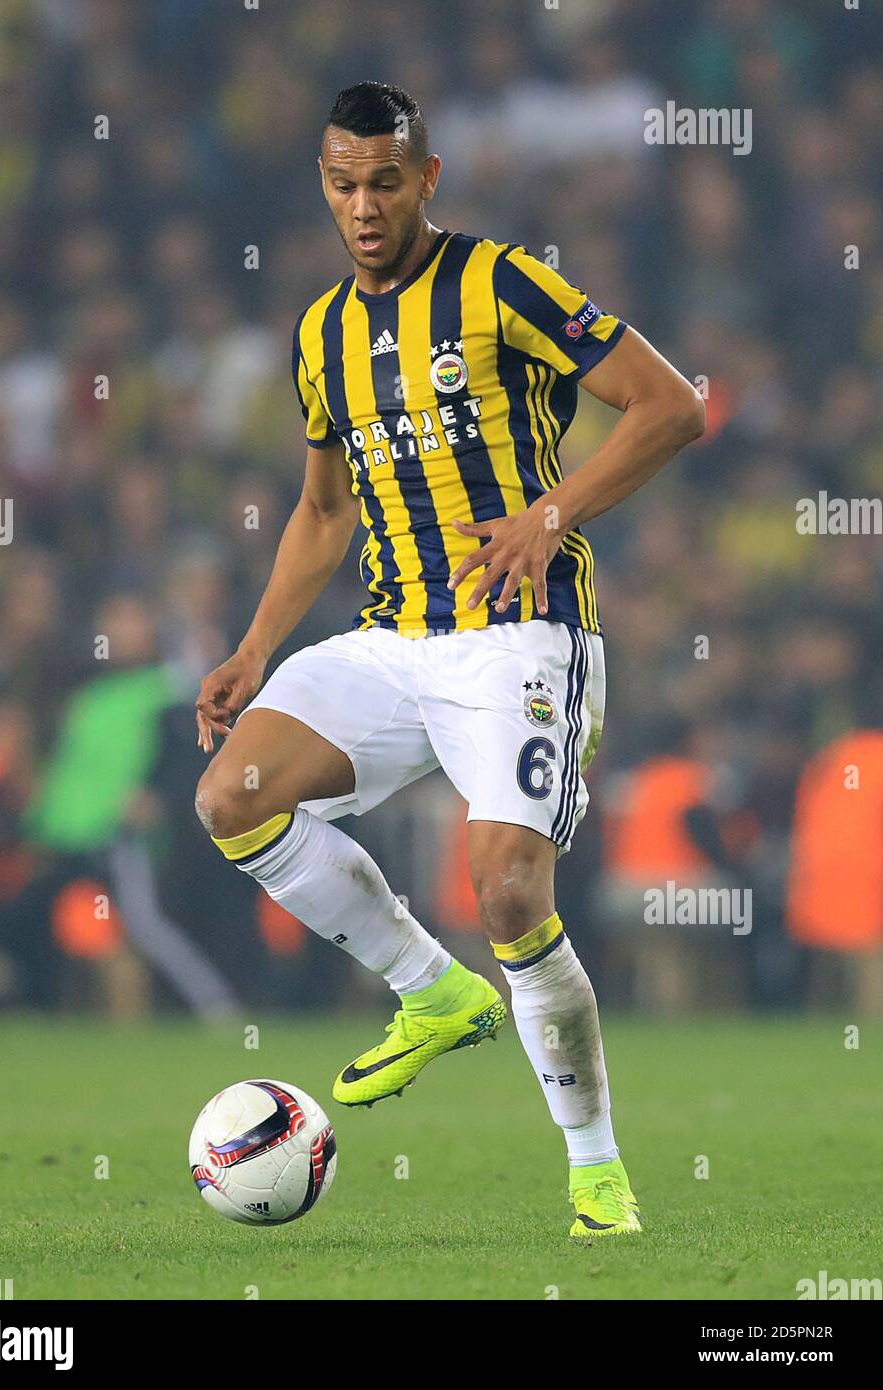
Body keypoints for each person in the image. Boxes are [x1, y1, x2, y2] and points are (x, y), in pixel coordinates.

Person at [194, 82, 705, 1238]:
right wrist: (255, 644)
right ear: (322, 185)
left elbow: (671, 407)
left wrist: (554, 511)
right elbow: (325, 510)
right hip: (391, 640)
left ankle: (595, 1171)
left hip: (519, 633)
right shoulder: (318, 333)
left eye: (384, 181)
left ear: (427, 178)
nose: (363, 206)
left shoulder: (501, 281)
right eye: (341, 184)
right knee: (233, 794)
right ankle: (433, 991)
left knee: (510, 887)